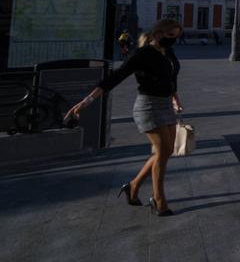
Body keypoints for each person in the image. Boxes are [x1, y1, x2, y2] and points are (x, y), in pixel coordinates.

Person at [65, 18, 184, 217]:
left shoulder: (168, 52)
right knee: (163, 153)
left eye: (177, 36)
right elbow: (116, 76)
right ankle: (158, 200)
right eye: (170, 35)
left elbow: (172, 77)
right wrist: (86, 101)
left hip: (165, 105)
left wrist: (175, 99)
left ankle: (133, 185)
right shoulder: (143, 53)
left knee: (166, 151)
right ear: (157, 33)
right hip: (148, 106)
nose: (173, 40)